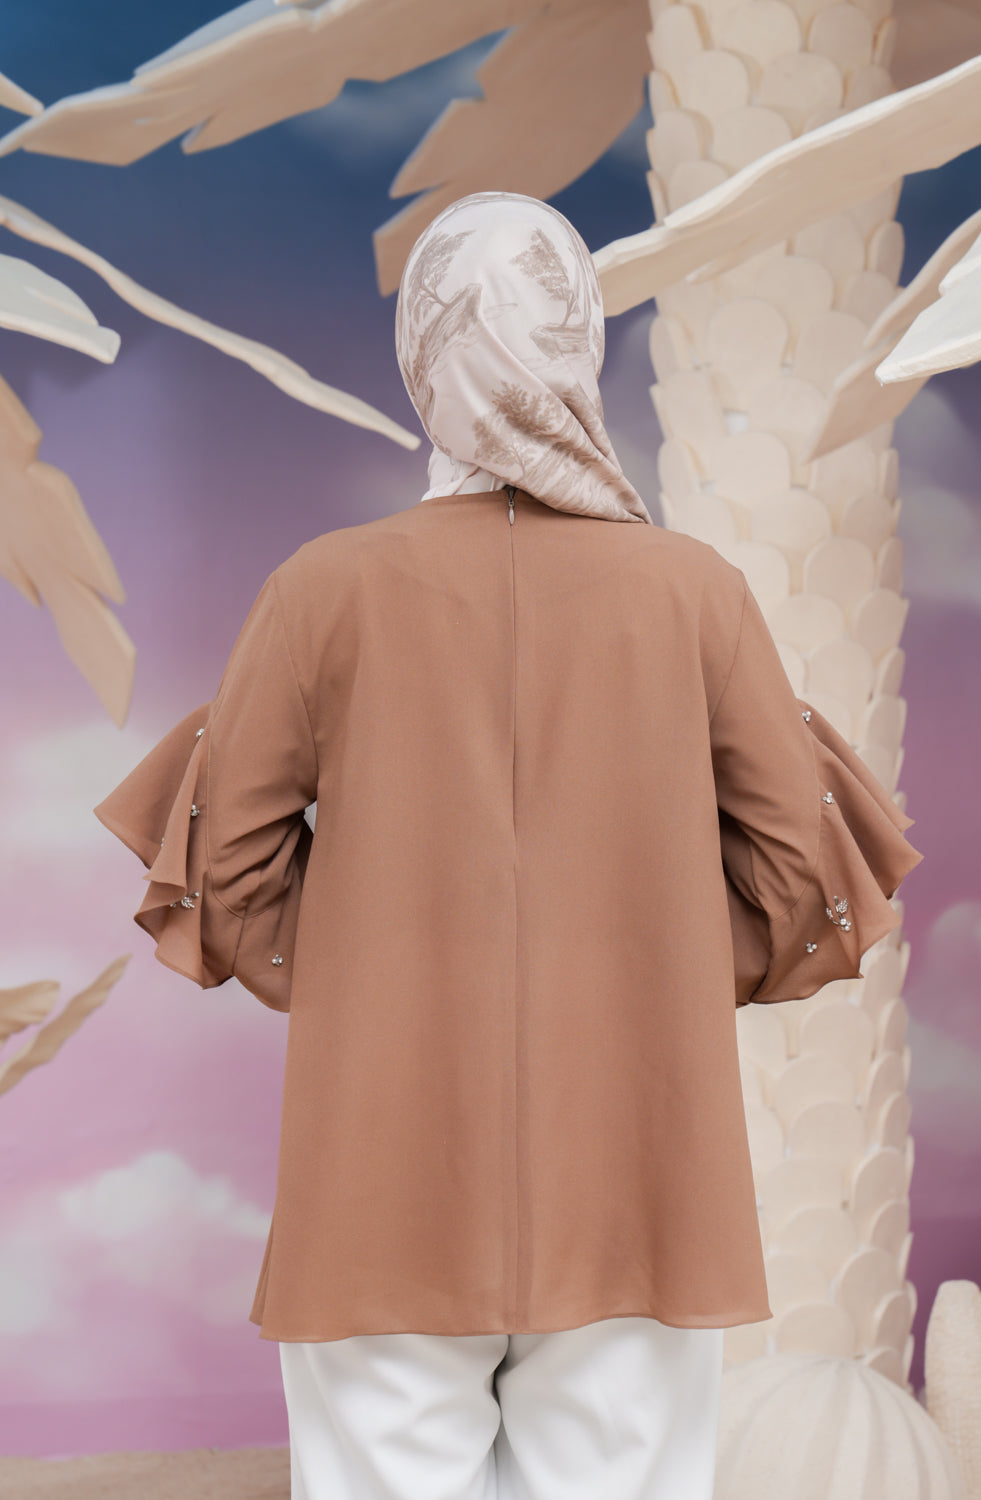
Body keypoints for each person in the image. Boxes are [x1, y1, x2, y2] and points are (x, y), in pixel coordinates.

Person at [94, 191, 923, 1500]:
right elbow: (799, 878)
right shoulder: (695, 594)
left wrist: (370, 967)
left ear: (425, 359)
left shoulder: (322, 591)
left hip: (375, 1187)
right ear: (575, 343)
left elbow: (226, 879)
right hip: (641, 1190)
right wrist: (646, 966)